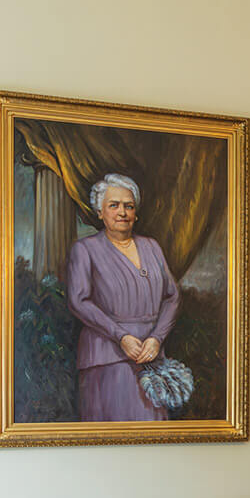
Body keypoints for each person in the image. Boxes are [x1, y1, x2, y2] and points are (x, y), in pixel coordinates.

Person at [66, 173, 180, 421]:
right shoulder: (85, 250)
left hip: (151, 358)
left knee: (153, 437)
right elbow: (79, 300)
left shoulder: (152, 246)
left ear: (136, 213)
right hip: (107, 358)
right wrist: (122, 337)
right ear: (99, 212)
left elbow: (172, 296)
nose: (122, 212)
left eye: (129, 206)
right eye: (113, 205)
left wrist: (156, 339)